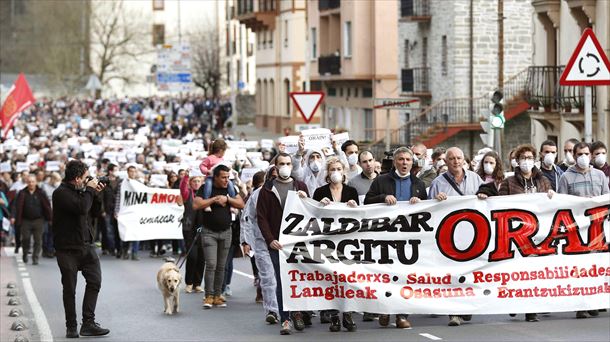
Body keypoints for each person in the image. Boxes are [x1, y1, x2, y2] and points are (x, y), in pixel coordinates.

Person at [364, 147, 427, 329]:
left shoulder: (419, 184)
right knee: (386, 275)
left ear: (412, 162)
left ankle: (401, 314)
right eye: (401, 159)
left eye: (408, 159)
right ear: (394, 162)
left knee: (405, 277)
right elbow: (367, 201)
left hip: (409, 239)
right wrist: (383, 197)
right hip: (385, 238)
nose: (404, 163)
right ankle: (385, 309)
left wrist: (420, 203)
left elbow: (428, 211)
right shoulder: (381, 181)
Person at [52, 160, 109, 338]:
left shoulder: (83, 193)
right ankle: (71, 326)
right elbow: (81, 207)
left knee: (95, 282)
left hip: (86, 246)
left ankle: (88, 323)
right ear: (77, 178)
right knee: (70, 289)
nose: (88, 180)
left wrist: (96, 194)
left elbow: (93, 212)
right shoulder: (60, 193)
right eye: (85, 177)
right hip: (67, 249)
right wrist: (90, 190)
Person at [428, 146, 483, 327]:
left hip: (473, 234)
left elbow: (489, 199)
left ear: (464, 160)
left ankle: (465, 306)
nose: (456, 162)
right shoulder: (438, 183)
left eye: (459, 158)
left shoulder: (475, 179)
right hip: (449, 237)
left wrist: (485, 195)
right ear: (446, 161)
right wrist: (437, 200)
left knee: (470, 273)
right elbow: (429, 210)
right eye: (452, 159)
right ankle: (454, 312)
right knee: (452, 274)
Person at [257, 153, 309, 335]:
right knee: (282, 280)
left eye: (288, 163)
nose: (285, 166)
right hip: (277, 244)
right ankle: (285, 318)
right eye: (282, 164)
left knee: (298, 279)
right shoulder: (267, 190)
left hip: (296, 242)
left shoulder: (300, 186)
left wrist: (305, 199)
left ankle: (298, 313)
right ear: (275, 167)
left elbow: (310, 213)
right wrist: (270, 239)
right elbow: (261, 218)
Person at [557, 142, 609, 319]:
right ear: (574, 155)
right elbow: (561, 204)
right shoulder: (566, 177)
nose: (584, 157)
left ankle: (593, 302)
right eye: (580, 154)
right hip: (576, 231)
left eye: (586, 154)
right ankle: (581, 305)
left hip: (597, 229)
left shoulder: (600, 175)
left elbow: (605, 199)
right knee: (580, 269)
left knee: (596, 267)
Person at [313, 157, 359, 332]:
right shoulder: (320, 192)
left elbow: (360, 216)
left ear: (344, 172)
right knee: (331, 279)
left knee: (347, 278)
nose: (335, 172)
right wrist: (319, 206)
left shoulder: (351, 191)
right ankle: (334, 317)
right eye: (332, 169)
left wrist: (354, 207)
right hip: (328, 241)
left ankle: (347, 314)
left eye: (338, 169)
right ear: (327, 173)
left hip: (347, 242)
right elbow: (312, 216)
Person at [193, 164, 244, 309]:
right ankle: (208, 296)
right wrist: (214, 199)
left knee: (221, 266)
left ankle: (217, 295)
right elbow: (196, 205)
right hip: (209, 232)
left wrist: (227, 200)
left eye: (228, 177)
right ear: (215, 177)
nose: (226, 180)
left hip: (226, 231)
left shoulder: (230, 188)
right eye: (223, 177)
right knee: (211, 265)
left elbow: (241, 203)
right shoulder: (206, 188)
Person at [241, 169, 280, 325]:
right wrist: (246, 241)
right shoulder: (257, 194)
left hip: (284, 242)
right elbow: (247, 217)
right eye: (273, 176)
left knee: (284, 278)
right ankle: (272, 310)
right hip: (262, 241)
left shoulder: (293, 190)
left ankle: (292, 310)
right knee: (268, 278)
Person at [13, 175, 52, 265]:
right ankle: (25, 253)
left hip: (38, 220)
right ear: (27, 183)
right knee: (25, 239)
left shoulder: (41, 192)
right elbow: (17, 206)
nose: (31, 183)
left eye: (33, 181)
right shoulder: (22, 193)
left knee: (38, 240)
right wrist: (15, 217)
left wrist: (50, 218)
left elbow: (47, 206)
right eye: (29, 182)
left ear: (36, 182)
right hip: (25, 220)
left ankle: (35, 258)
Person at [179, 171, 205, 294]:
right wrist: (186, 177)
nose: (196, 183)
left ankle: (197, 283)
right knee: (192, 256)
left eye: (198, 181)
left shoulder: (205, 194)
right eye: (194, 181)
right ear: (191, 183)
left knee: (201, 257)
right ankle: (189, 283)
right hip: (189, 228)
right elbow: (182, 187)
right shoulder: (187, 193)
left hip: (203, 228)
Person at [198, 139, 237, 212]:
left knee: (231, 185)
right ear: (221, 150)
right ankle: (207, 203)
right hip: (211, 177)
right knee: (208, 185)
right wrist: (207, 171)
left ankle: (233, 203)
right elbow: (202, 166)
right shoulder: (210, 158)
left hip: (221, 178)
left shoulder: (222, 159)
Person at [114, 165, 140, 260]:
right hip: (125, 212)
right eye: (131, 171)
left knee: (136, 232)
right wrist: (116, 211)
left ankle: (135, 253)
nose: (133, 173)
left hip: (136, 212)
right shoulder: (122, 184)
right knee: (126, 232)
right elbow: (118, 198)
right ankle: (125, 251)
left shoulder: (139, 183)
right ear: (128, 172)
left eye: (134, 171)